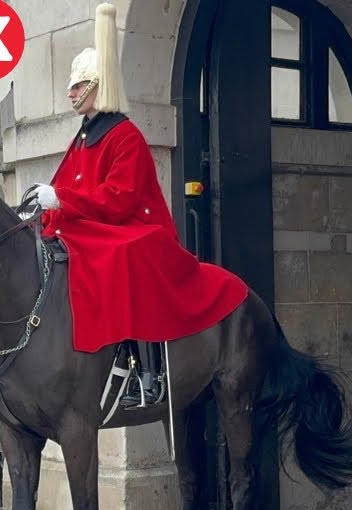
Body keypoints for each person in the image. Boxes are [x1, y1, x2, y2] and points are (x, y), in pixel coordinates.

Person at [29, 2, 248, 408]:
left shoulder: (125, 136)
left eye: (78, 86)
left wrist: (62, 198)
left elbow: (120, 198)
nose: (70, 92)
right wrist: (42, 208)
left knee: (122, 253)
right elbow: (67, 187)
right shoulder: (83, 137)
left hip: (132, 227)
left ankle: (145, 372)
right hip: (94, 224)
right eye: (72, 86)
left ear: (98, 87)